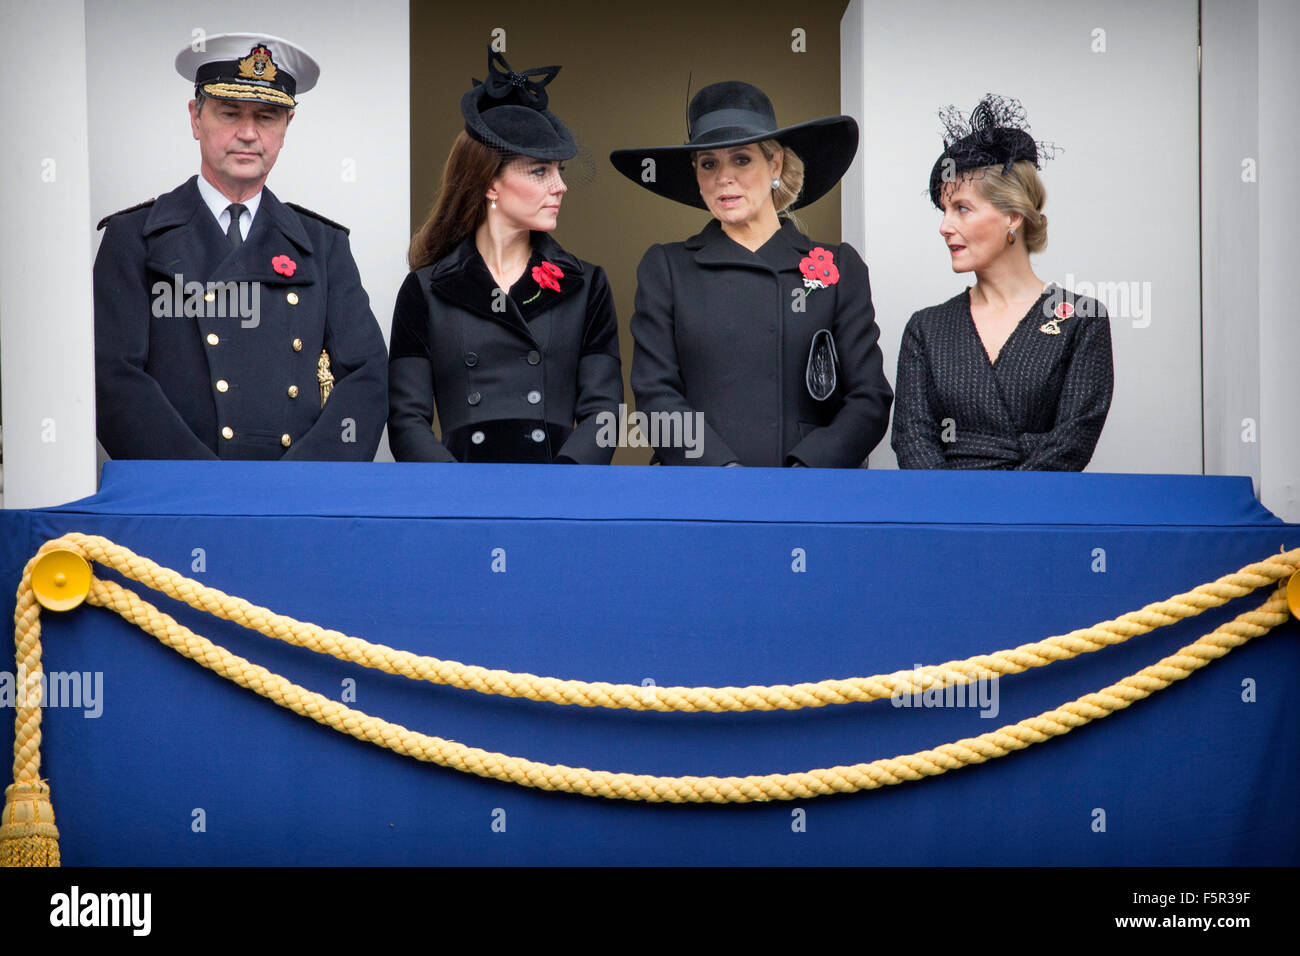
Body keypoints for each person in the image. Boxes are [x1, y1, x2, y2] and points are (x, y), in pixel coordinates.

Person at [94, 33, 387, 460]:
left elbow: (367, 378)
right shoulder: (133, 238)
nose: (248, 133)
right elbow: (113, 378)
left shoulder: (323, 246)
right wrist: (205, 487)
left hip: (293, 502)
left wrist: (304, 484)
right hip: (177, 499)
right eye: (230, 113)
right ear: (196, 118)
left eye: (267, 117)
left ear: (286, 129)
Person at [610, 81, 892, 467]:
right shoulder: (667, 268)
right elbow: (655, 394)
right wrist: (722, 472)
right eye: (708, 163)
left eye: (741, 159)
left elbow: (870, 398)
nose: (724, 177)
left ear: (774, 164)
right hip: (700, 493)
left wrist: (805, 470)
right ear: (696, 173)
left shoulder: (840, 266)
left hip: (805, 497)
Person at [388, 49, 622, 463]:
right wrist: (455, 490)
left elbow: (603, 414)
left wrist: (562, 483)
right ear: (490, 184)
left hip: (556, 495)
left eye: (559, 171)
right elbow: (406, 419)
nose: (559, 186)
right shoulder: (425, 289)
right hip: (461, 500)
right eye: (539, 172)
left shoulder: (587, 285)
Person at [891, 95, 1113, 471]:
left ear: (1013, 215)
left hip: (1039, 517)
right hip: (946, 518)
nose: (944, 226)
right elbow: (913, 439)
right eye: (943, 211)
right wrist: (956, 514)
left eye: (961, 208)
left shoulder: (1080, 320)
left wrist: (1006, 509)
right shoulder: (926, 329)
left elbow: (1072, 443)